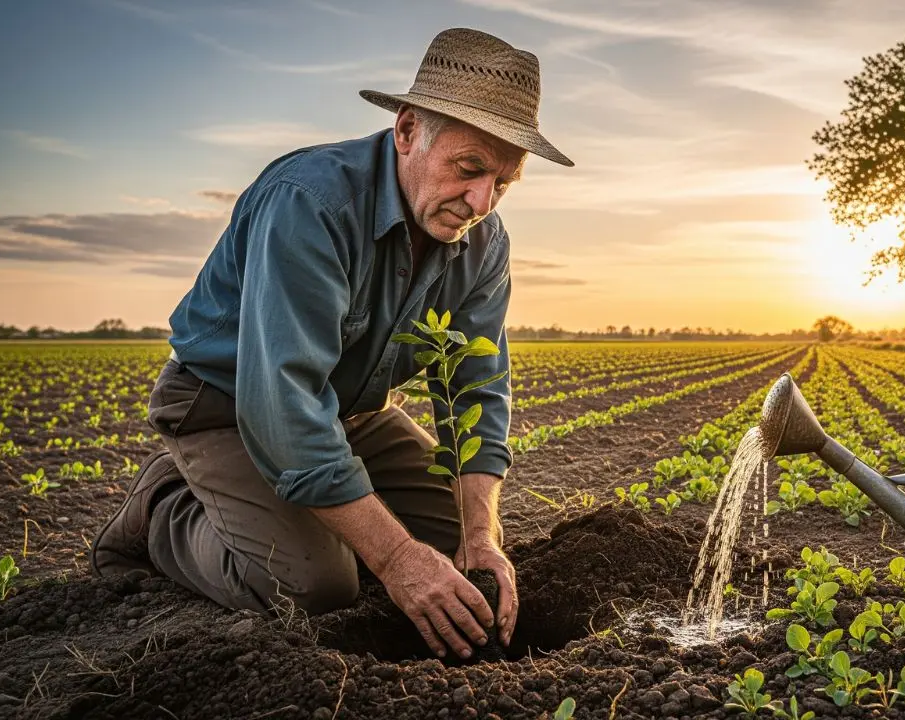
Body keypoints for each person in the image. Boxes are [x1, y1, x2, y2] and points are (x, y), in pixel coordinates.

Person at [89, 27, 573, 661]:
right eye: (469, 168)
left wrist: (481, 532)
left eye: (504, 182)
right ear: (408, 132)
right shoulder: (310, 203)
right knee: (315, 586)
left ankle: (310, 513)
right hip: (229, 405)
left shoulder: (485, 243)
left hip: (352, 414)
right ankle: (163, 509)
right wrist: (395, 559)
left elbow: (477, 389)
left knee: (456, 550)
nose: (481, 201)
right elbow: (283, 404)